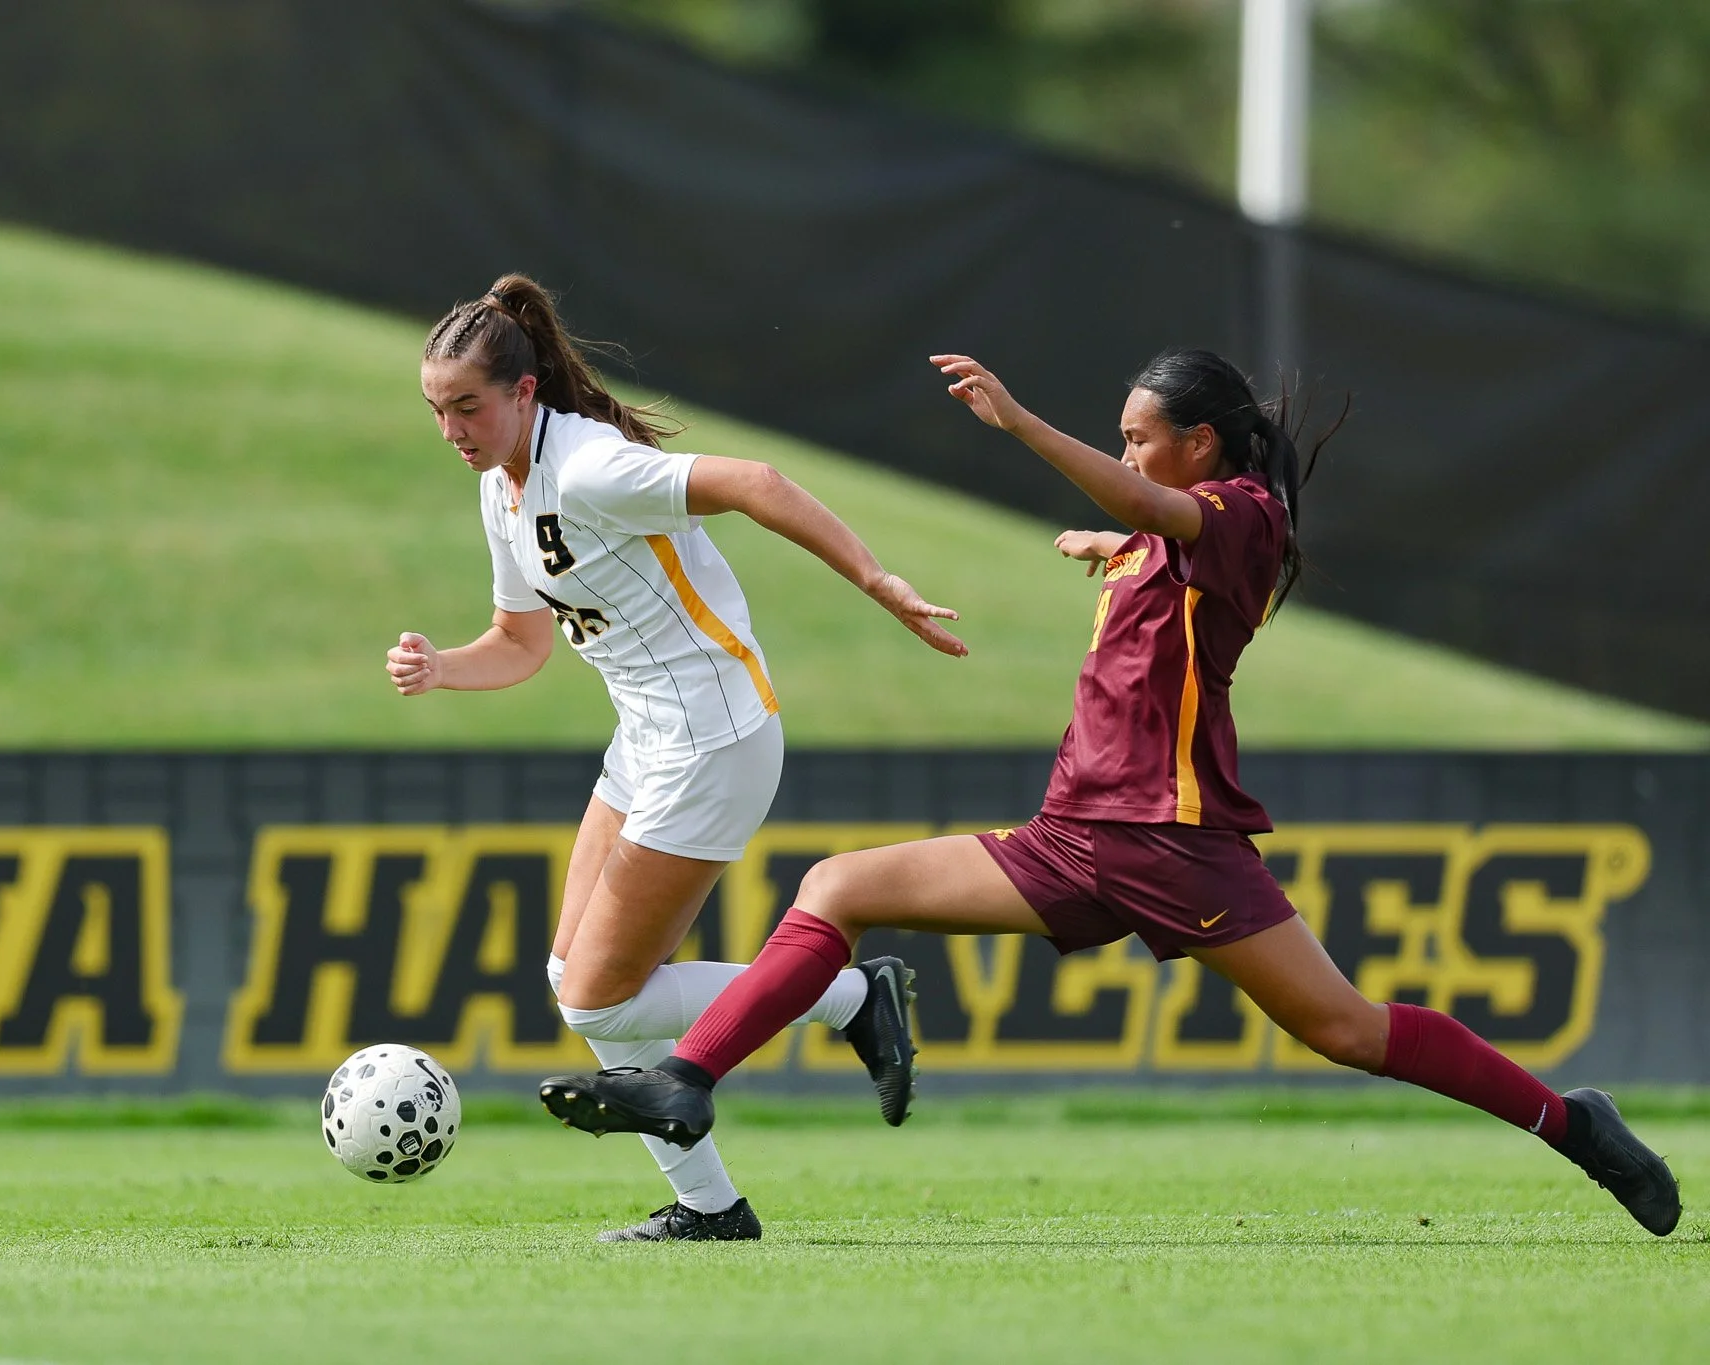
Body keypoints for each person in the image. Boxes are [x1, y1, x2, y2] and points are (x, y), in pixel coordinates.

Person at [539, 348, 1682, 1238]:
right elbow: (1151, 538)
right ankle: (687, 1079)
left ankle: (1571, 1123)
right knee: (835, 886)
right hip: (1071, 836)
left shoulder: (1243, 515)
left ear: (1200, 443)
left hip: (1167, 841)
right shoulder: (1170, 531)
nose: (1127, 456)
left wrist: (1024, 427)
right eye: (1118, 439)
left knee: (1345, 1030)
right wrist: (1111, 545)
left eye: (1141, 440)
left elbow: (1170, 524)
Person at [392, 274, 961, 1241]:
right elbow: (522, 642)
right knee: (578, 985)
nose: (452, 428)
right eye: (437, 409)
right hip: (648, 738)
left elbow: (759, 482)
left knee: (597, 1000)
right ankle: (715, 1203)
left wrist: (877, 580)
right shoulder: (504, 488)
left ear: (524, 393)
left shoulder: (589, 468)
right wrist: (445, 668)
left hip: (715, 740)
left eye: (468, 405)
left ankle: (850, 999)